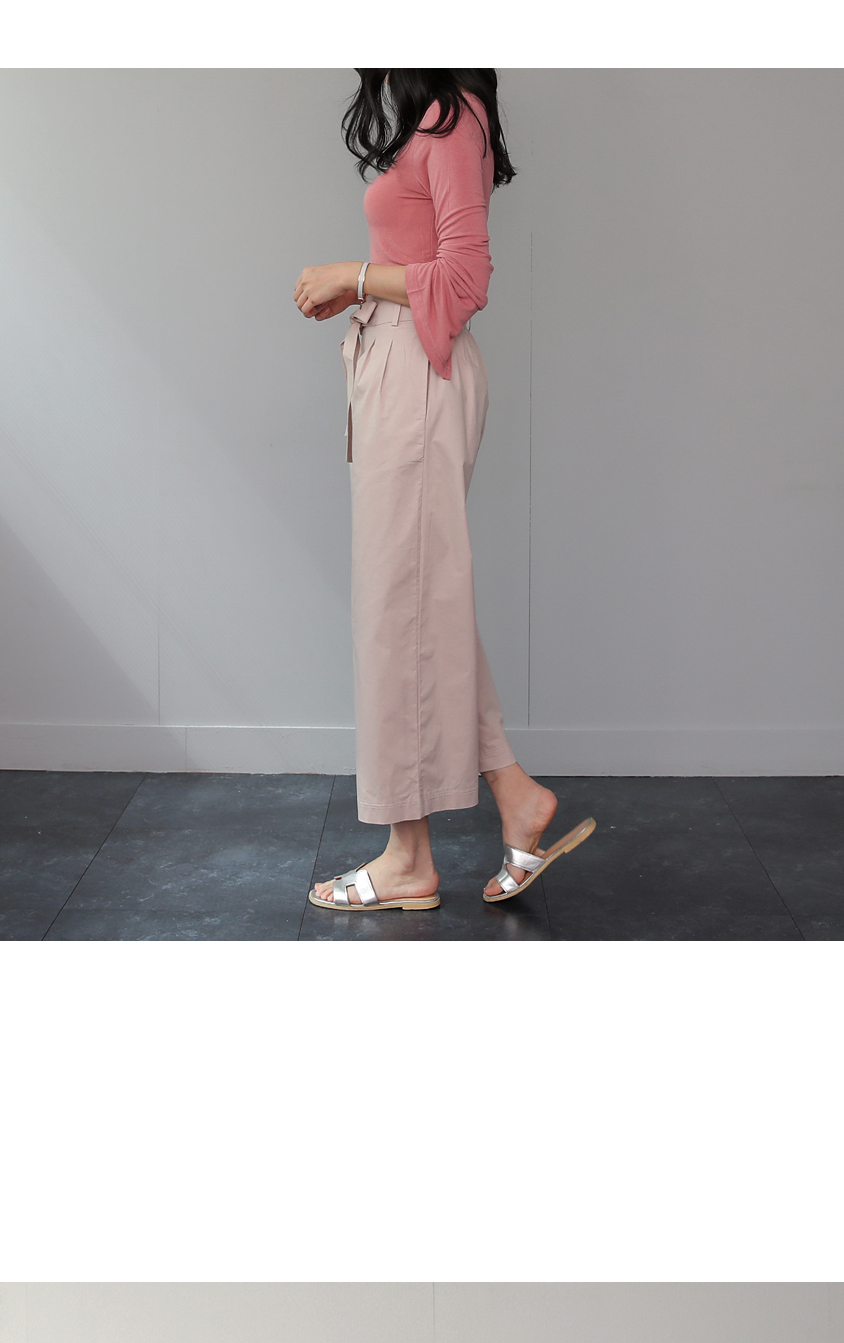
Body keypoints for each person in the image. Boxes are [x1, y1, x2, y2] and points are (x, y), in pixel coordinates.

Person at [295, 77, 594, 922]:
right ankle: (515, 793)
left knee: (401, 609)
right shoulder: (435, 117)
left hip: (418, 376)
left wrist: (355, 274)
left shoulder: (454, 117)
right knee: (417, 603)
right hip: (396, 367)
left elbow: (465, 277)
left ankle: (407, 858)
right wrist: (361, 290)